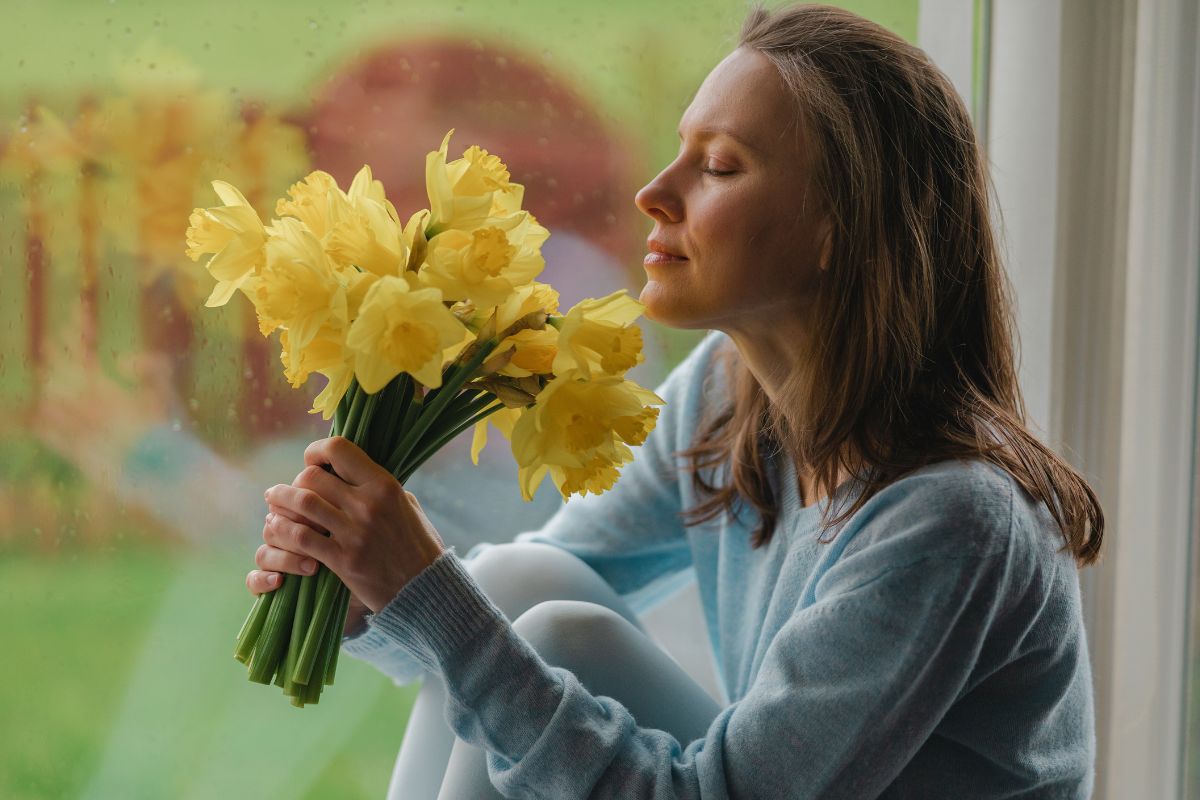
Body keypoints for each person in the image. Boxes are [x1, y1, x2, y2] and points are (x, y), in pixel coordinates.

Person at [249, 4, 1104, 798]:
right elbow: (488, 614)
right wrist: (372, 585)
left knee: (549, 645)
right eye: (678, 150)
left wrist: (426, 588)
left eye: (720, 166)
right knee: (521, 581)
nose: (653, 194)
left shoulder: (950, 521)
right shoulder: (728, 399)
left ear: (837, 228)